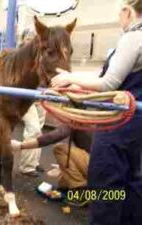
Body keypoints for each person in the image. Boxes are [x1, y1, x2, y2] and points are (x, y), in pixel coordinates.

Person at [51, 0, 142, 224]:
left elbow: (108, 83)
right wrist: (79, 86)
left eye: (119, 15)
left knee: (103, 183)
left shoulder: (133, 37)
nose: (119, 20)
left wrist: (70, 78)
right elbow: (111, 81)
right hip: (135, 128)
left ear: (127, 11)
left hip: (117, 126)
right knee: (131, 184)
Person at [11, 123, 93, 190]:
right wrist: (63, 167)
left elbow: (52, 137)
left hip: (95, 164)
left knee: (59, 149)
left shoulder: (76, 118)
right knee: (63, 183)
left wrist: (21, 146)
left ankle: (81, 189)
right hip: (101, 166)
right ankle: (92, 185)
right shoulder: (96, 114)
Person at [17, 29, 46, 177]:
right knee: (33, 129)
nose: (32, 40)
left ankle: (34, 162)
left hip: (40, 95)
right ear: (23, 39)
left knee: (39, 129)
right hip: (25, 97)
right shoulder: (19, 55)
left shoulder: (40, 53)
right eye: (28, 38)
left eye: (34, 38)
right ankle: (27, 167)